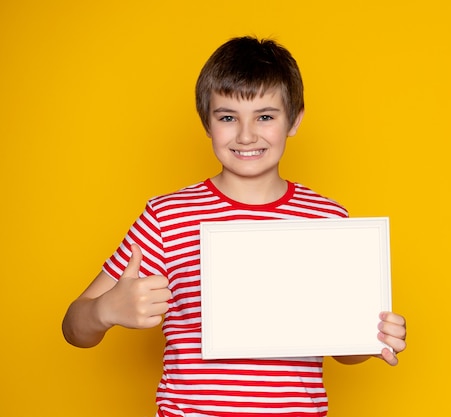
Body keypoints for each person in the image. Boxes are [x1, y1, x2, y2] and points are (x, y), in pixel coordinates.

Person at [62, 36, 407, 416]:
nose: (246, 135)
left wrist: (373, 338)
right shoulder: (166, 217)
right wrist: (105, 311)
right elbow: (74, 328)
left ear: (294, 120)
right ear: (206, 122)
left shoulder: (327, 220)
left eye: (265, 116)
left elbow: (345, 352)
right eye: (228, 117)